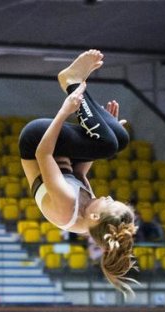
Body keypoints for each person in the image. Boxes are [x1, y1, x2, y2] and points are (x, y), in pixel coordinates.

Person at [18, 50, 137, 294]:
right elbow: (80, 172)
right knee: (118, 140)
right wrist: (106, 126)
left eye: (109, 203)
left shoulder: (67, 207)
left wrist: (64, 113)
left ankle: (72, 82)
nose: (107, 197)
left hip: (37, 141)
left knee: (108, 145)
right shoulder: (90, 214)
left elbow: (43, 155)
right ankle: (78, 86)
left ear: (95, 218)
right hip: (65, 154)